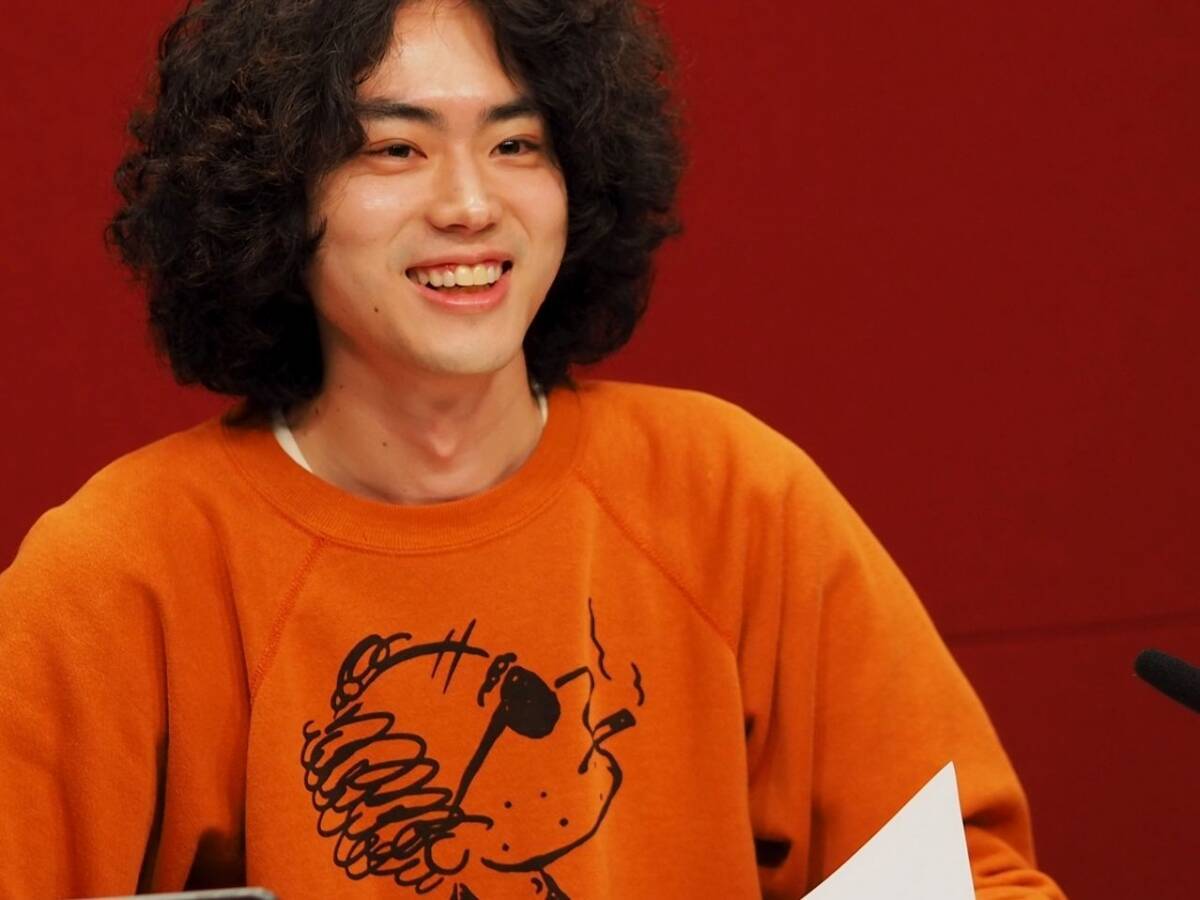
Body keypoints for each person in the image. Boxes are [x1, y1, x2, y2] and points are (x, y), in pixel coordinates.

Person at [0, 0, 1066, 897]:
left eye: (516, 145)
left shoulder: (732, 496)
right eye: (395, 148)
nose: (471, 204)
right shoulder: (121, 574)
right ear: (273, 195)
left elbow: (972, 872)